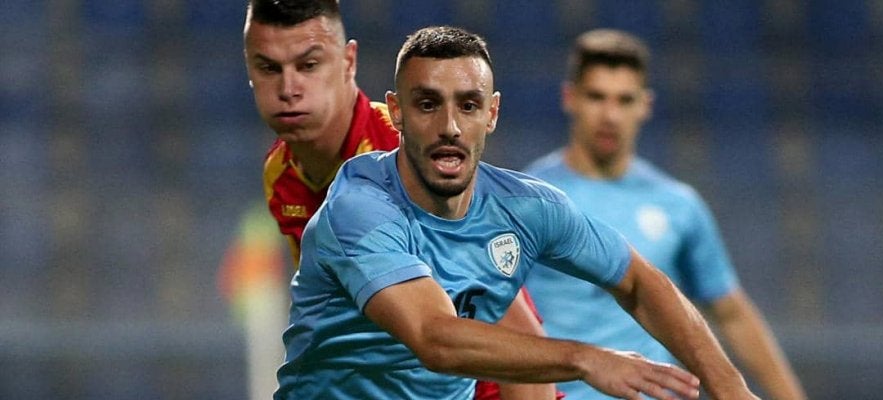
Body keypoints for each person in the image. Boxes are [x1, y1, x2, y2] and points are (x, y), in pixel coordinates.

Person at [273, 25, 759, 400]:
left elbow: (638, 281)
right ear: (396, 112)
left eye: (468, 105)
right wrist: (586, 359)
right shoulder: (358, 208)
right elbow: (435, 340)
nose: (450, 126)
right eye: (428, 104)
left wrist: (731, 388)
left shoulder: (527, 207)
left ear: (492, 113)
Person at [242, 1, 555, 398]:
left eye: (308, 65)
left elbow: (517, 330)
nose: (288, 89)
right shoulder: (280, 172)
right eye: (269, 68)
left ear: (348, 61)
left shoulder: (410, 155)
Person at [522, 29, 808, 399]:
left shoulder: (678, 205)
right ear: (570, 98)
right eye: (596, 97)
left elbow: (732, 314)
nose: (610, 115)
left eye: (625, 100)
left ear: (645, 105)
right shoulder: (528, 199)